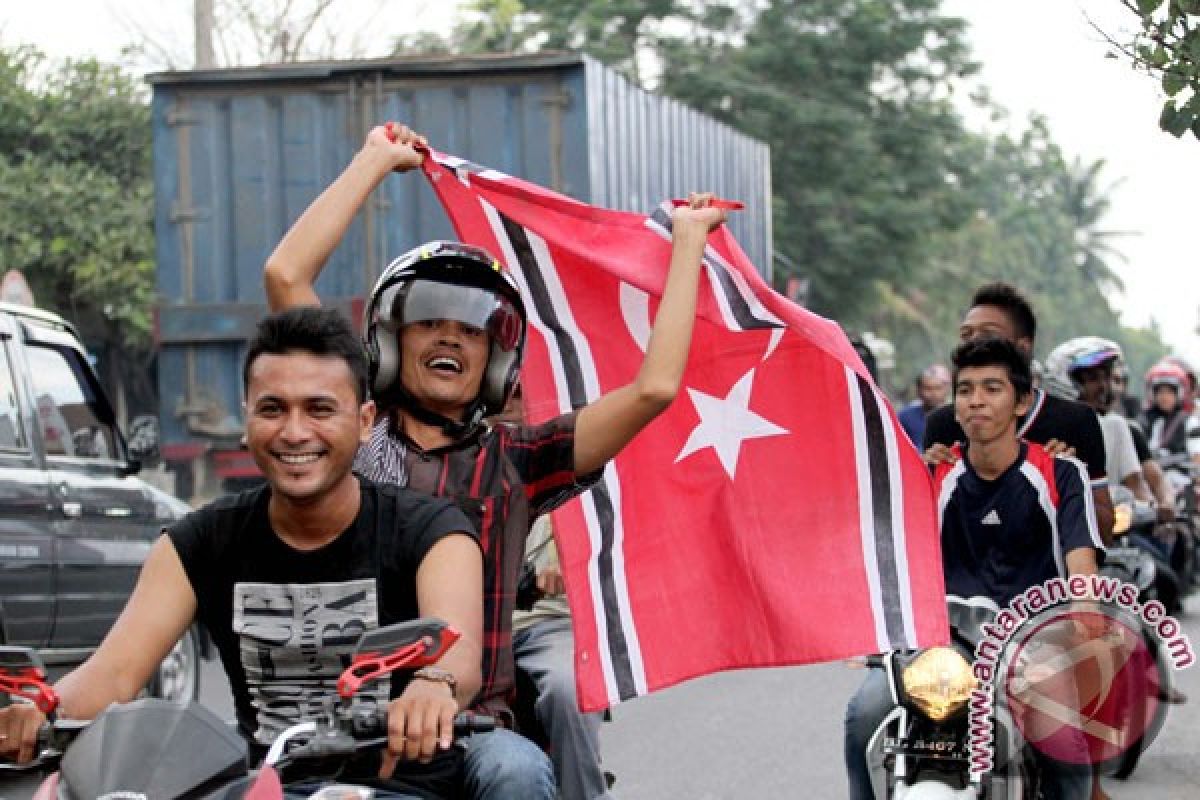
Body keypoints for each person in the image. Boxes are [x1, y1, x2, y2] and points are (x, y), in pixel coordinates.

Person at [264, 121, 727, 800]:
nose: (452, 335)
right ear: (388, 341)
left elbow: (654, 388)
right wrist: (371, 162)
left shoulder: (518, 458)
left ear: (499, 361)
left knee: (518, 773)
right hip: (341, 724)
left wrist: (686, 247)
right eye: (429, 320)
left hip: (473, 728)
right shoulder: (350, 434)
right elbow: (286, 275)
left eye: (475, 329)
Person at [0, 307, 484, 799]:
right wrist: (44, 709)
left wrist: (434, 685)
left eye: (319, 410)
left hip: (396, 789)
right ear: (247, 418)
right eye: (273, 409)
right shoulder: (198, 542)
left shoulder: (432, 532)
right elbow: (115, 672)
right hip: (257, 789)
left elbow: (457, 654)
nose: (295, 432)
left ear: (363, 423)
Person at [845, 337, 1104, 800]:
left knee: (1068, 755)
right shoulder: (933, 474)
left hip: (1028, 647)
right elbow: (895, 561)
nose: (976, 401)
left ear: (1022, 401)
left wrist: (1084, 616)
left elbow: (1080, 567)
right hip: (941, 648)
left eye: (992, 388)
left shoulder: (1060, 474)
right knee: (864, 716)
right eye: (965, 390)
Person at [922, 282, 1114, 543]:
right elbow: (925, 538)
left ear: (1023, 347)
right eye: (966, 334)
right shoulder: (943, 423)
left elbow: (1103, 531)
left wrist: (1069, 485)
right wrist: (925, 480)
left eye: (988, 333)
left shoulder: (1075, 422)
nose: (974, 341)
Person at [897, 363, 950, 447]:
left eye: (938, 388)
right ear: (918, 389)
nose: (933, 393)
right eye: (928, 388)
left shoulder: (957, 416)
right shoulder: (905, 417)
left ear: (946, 389)